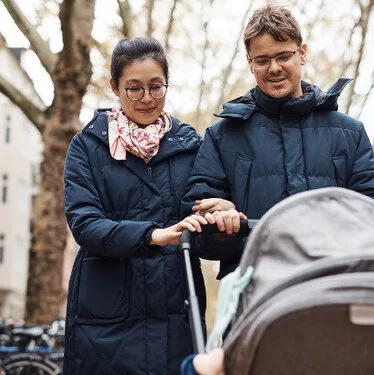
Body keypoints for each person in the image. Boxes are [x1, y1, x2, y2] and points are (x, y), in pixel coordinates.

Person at [183, 5, 374, 279]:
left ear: (302, 53)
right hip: (254, 289)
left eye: (283, 56)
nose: (274, 68)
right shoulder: (222, 137)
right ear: (250, 63)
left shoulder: (348, 133)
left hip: (337, 284)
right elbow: (198, 228)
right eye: (262, 60)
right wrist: (221, 224)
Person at [63, 37, 212, 375]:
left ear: (166, 85)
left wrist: (217, 208)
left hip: (176, 312)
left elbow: (202, 210)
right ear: (114, 87)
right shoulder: (86, 147)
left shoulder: (192, 146)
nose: (147, 98)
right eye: (134, 88)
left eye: (156, 87)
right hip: (105, 321)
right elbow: (84, 224)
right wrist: (151, 236)